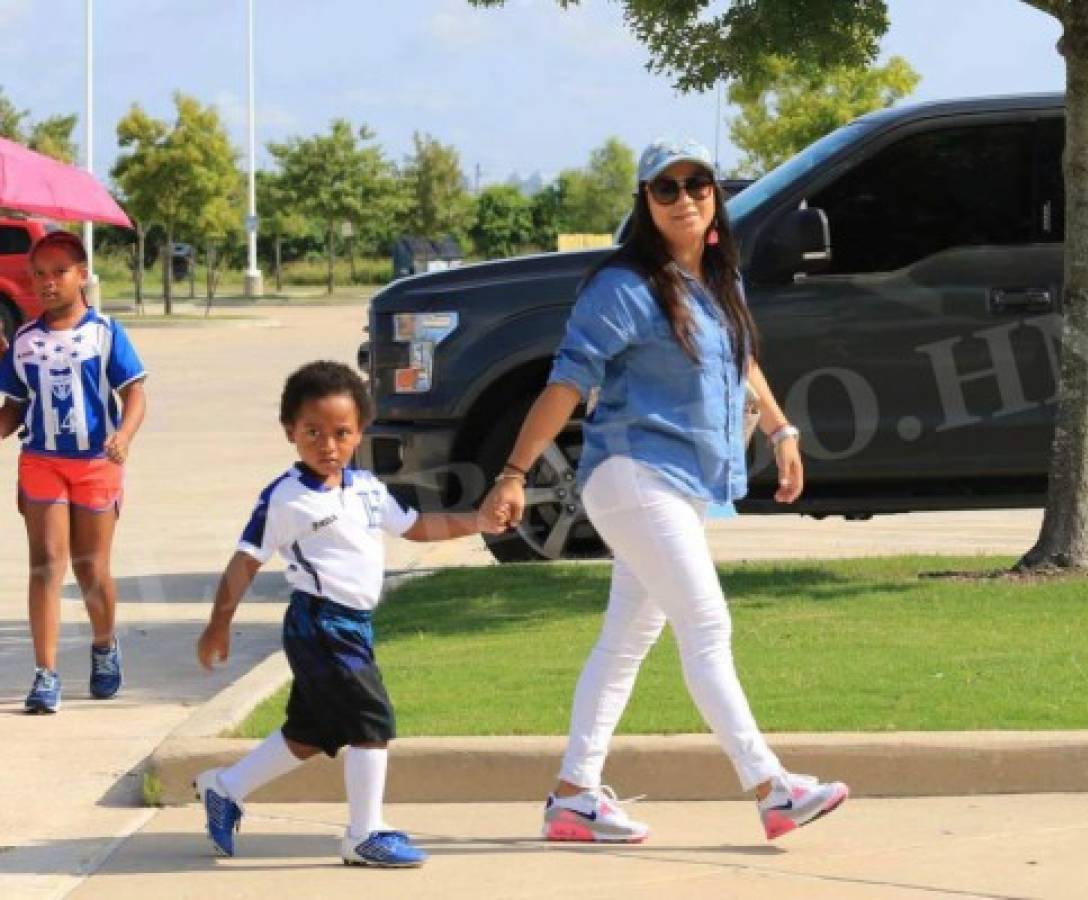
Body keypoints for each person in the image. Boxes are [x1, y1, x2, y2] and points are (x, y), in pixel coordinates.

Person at [481, 139, 849, 844]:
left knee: (625, 640)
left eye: (697, 184)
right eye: (666, 188)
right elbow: (566, 381)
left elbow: (741, 365)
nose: (684, 198)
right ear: (644, 205)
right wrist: (513, 474)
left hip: (677, 483)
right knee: (706, 626)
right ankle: (771, 788)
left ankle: (572, 796)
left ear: (715, 197)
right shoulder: (623, 287)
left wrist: (781, 432)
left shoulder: (718, 281)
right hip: (631, 474)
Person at [195, 360, 503, 868]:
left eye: (341, 433)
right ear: (290, 432)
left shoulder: (365, 489)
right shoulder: (286, 498)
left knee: (309, 734)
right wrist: (218, 623)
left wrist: (478, 521)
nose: (328, 445)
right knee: (371, 720)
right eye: (313, 432)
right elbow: (245, 560)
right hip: (320, 624)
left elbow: (416, 527)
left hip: (354, 625)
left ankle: (224, 789)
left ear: (360, 432)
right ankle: (364, 834)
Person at [0, 231, 147, 714]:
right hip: (41, 462)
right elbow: (13, 409)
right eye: (38, 274)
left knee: (90, 567)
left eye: (58, 272)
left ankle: (104, 647)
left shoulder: (106, 332)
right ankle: (45, 675)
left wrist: (123, 436)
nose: (47, 283)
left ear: (82, 275)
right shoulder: (22, 340)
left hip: (95, 464)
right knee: (45, 561)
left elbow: (135, 394)